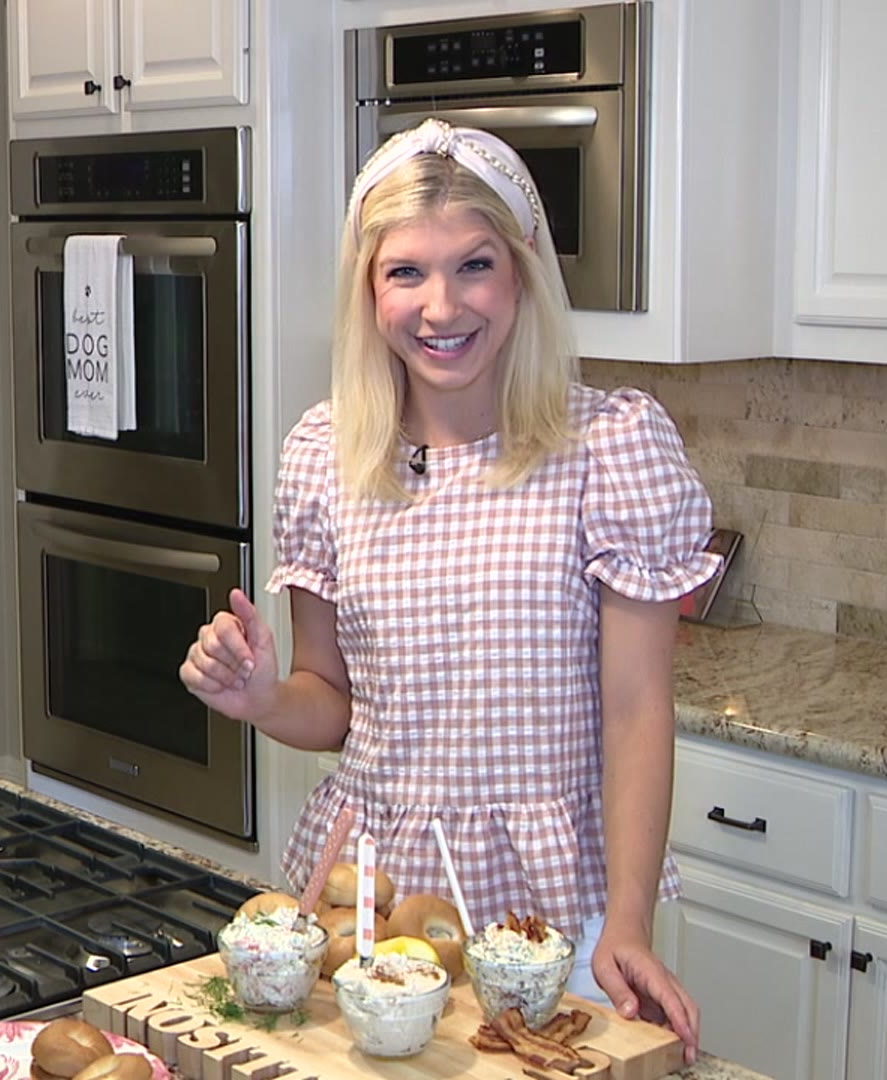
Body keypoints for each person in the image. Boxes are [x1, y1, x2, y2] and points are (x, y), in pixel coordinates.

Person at [179, 119, 715, 1065]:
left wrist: (626, 924)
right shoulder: (330, 453)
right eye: (405, 273)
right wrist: (260, 698)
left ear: (521, 275)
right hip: (368, 902)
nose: (441, 306)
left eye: (473, 265)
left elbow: (637, 713)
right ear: (368, 289)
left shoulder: (608, 450)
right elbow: (334, 705)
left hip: (554, 911)